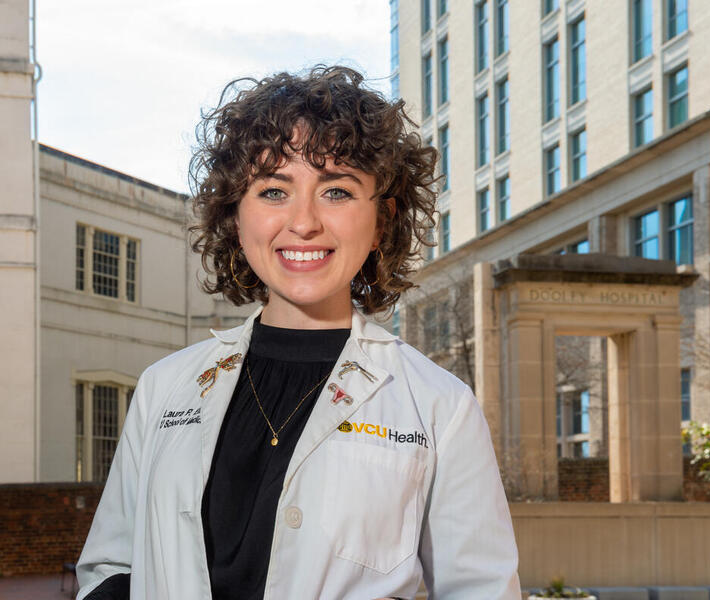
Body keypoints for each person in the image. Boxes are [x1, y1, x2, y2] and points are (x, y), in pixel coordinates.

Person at [76, 66, 520, 600]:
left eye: (336, 191)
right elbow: (109, 568)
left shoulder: (439, 407)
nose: (303, 222)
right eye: (272, 191)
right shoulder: (162, 387)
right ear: (235, 218)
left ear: (382, 221)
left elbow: (482, 590)